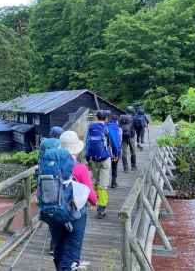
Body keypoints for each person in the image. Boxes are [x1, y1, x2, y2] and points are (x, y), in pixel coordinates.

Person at [49, 130, 97, 271]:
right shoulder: (80, 169)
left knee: (58, 250)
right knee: (71, 254)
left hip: (55, 214)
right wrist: (96, 201)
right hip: (75, 216)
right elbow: (91, 196)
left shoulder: (51, 166)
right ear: (76, 149)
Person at [85, 110, 111, 219]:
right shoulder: (106, 128)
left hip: (94, 159)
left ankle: (94, 201)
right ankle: (101, 208)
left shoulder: (91, 127)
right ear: (105, 118)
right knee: (103, 184)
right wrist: (115, 153)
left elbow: (87, 142)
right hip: (104, 158)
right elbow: (112, 142)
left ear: (96, 117)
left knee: (96, 181)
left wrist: (88, 158)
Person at [106, 114, 122, 188]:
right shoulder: (118, 129)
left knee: (105, 168)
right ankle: (113, 182)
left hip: (106, 152)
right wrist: (117, 153)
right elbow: (119, 141)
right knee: (114, 166)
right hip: (115, 152)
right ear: (117, 121)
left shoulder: (106, 127)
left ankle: (104, 183)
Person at [119, 106, 137, 172]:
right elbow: (136, 126)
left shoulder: (121, 117)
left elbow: (119, 126)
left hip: (123, 137)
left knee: (124, 152)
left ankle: (125, 168)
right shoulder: (133, 118)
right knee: (133, 151)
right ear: (132, 111)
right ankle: (133, 166)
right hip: (131, 136)